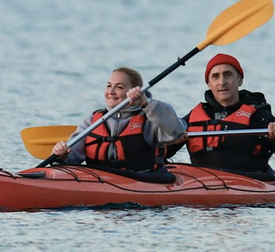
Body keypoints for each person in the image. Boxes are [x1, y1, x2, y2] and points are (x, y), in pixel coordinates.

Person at [184, 52, 275, 176]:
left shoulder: (258, 116)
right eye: (215, 77)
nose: (222, 82)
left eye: (228, 75)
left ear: (239, 80)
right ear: (209, 84)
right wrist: (172, 140)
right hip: (201, 182)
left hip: (252, 181)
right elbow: (166, 154)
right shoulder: (193, 116)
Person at [48, 66, 186, 173]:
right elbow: (73, 158)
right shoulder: (93, 119)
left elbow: (177, 131)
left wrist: (145, 103)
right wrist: (61, 156)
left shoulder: (151, 118)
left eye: (119, 87)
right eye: (109, 85)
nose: (111, 92)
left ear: (134, 91)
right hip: (99, 181)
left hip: (144, 181)